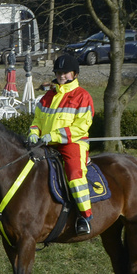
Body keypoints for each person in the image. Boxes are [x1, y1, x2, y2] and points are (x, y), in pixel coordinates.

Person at [29, 50, 95, 236]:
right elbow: (37, 120)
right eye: (59, 73)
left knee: (74, 173)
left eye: (65, 73)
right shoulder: (47, 97)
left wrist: (55, 136)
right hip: (46, 142)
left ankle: (85, 216)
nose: (62, 76)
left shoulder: (83, 96)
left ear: (75, 74)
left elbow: (81, 127)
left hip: (72, 143)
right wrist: (34, 132)